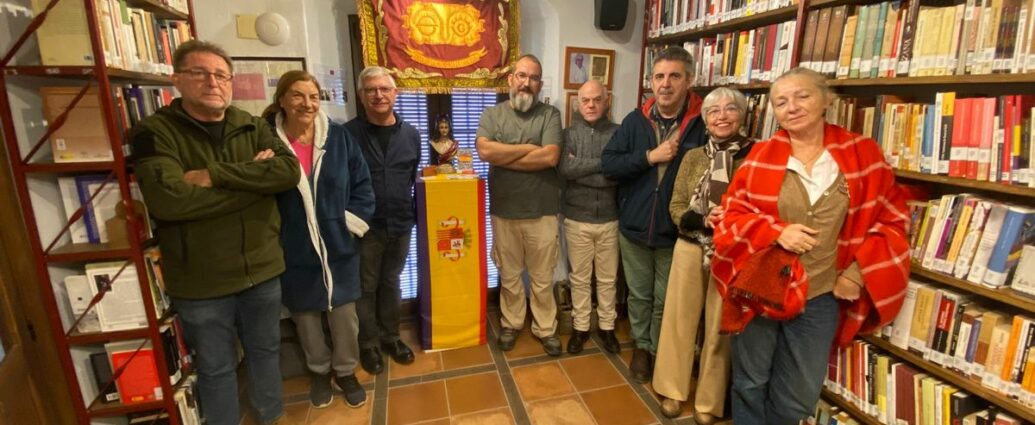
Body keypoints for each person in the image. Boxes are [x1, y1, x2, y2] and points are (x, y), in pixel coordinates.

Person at [711, 67, 909, 425]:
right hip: (761, 288)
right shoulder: (761, 156)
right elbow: (730, 217)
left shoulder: (861, 154)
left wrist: (856, 273)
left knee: (800, 392)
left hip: (820, 294)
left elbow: (892, 219)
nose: (793, 107)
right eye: (781, 102)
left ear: (826, 100)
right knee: (750, 381)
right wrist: (774, 231)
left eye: (802, 96)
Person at [131, 40, 301, 425]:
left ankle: (269, 416)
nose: (213, 82)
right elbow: (169, 201)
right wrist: (254, 189)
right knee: (216, 366)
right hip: (201, 280)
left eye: (221, 75)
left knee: (264, 350)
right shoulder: (154, 132)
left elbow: (288, 173)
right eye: (200, 73)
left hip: (261, 268)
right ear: (177, 79)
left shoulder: (252, 124)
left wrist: (215, 176)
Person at [263, 70, 375, 409]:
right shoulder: (265, 141)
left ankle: (345, 371)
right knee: (306, 318)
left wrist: (349, 225)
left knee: (344, 316)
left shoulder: (338, 138)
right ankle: (318, 370)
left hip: (338, 244)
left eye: (313, 96)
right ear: (282, 99)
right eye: (298, 95)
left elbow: (362, 185)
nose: (307, 103)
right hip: (294, 247)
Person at [601, 46, 705, 382]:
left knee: (666, 298)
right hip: (633, 227)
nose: (665, 84)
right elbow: (610, 164)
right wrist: (649, 156)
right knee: (640, 295)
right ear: (650, 81)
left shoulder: (703, 124)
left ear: (689, 80)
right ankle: (642, 348)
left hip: (675, 232)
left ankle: (661, 351)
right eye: (659, 76)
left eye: (674, 76)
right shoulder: (635, 120)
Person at [653, 87, 754, 422]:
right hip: (689, 246)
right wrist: (703, 219)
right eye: (714, 111)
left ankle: (709, 403)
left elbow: (760, 207)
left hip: (731, 253)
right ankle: (672, 390)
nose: (722, 116)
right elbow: (676, 205)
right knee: (678, 320)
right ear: (706, 119)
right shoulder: (693, 156)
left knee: (718, 326)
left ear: (742, 115)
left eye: (730, 109)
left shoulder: (755, 157)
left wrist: (732, 220)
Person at [476, 54, 565, 356]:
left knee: (542, 277)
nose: (527, 83)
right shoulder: (492, 114)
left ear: (540, 83)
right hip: (504, 211)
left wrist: (507, 156)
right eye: (522, 76)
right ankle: (511, 323)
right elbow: (485, 151)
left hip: (542, 211)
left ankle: (545, 328)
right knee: (510, 275)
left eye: (534, 78)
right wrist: (529, 149)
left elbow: (550, 157)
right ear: (510, 79)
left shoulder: (551, 114)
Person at [345, 66, 422, 375]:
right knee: (365, 287)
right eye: (371, 90)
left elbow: (411, 174)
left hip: (401, 222)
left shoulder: (411, 134)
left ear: (395, 93)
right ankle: (369, 344)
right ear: (362, 96)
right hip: (364, 226)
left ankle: (391, 338)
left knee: (391, 283)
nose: (378, 95)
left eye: (384, 89)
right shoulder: (347, 134)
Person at [557, 79, 620, 355]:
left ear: (607, 102)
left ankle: (607, 328)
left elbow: (619, 173)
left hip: (610, 218)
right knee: (579, 279)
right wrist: (603, 165)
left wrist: (586, 171)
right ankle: (581, 328)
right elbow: (566, 169)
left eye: (597, 99)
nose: (591, 105)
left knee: (608, 279)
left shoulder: (619, 133)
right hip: (576, 218)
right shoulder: (567, 134)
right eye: (586, 100)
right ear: (578, 103)